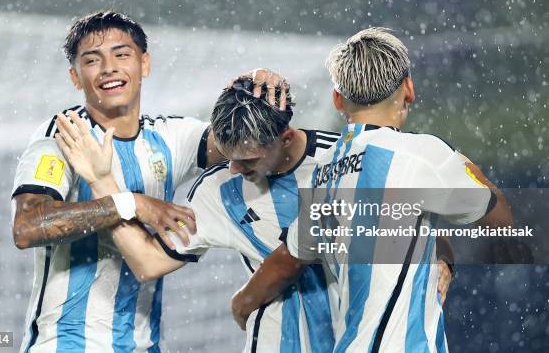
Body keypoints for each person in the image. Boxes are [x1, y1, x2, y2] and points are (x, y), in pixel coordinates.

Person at [54, 76, 455, 352]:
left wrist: (444, 255)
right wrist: (104, 181)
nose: (233, 170)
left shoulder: (346, 158)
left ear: (284, 137)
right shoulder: (218, 192)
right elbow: (146, 261)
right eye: (227, 158)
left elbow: (425, 207)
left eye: (246, 160)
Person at [10, 10, 284, 353]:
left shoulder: (170, 138)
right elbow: (28, 227)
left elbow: (242, 141)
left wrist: (258, 88)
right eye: (93, 60)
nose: (109, 68)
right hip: (66, 345)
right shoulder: (63, 139)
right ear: (75, 77)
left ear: (145, 64)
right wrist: (132, 203)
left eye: (121, 55)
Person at [230, 28, 513, 353]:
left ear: (337, 99)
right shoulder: (423, 155)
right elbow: (500, 216)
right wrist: (458, 160)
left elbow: (287, 262)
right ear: (409, 88)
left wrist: (241, 303)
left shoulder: (325, 171)